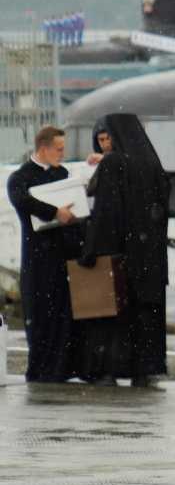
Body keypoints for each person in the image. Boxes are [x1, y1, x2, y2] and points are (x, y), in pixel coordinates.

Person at [75, 113, 170, 385]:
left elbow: (106, 213)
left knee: (114, 317)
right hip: (149, 259)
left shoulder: (114, 163)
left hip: (119, 256)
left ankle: (111, 368)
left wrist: (90, 250)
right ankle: (143, 369)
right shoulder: (153, 163)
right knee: (145, 317)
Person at [7, 125, 81, 382]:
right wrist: (53, 212)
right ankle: (41, 367)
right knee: (40, 312)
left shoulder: (62, 173)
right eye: (59, 149)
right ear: (44, 148)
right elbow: (23, 201)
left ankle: (62, 367)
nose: (62, 154)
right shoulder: (20, 177)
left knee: (62, 311)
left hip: (61, 251)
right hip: (38, 253)